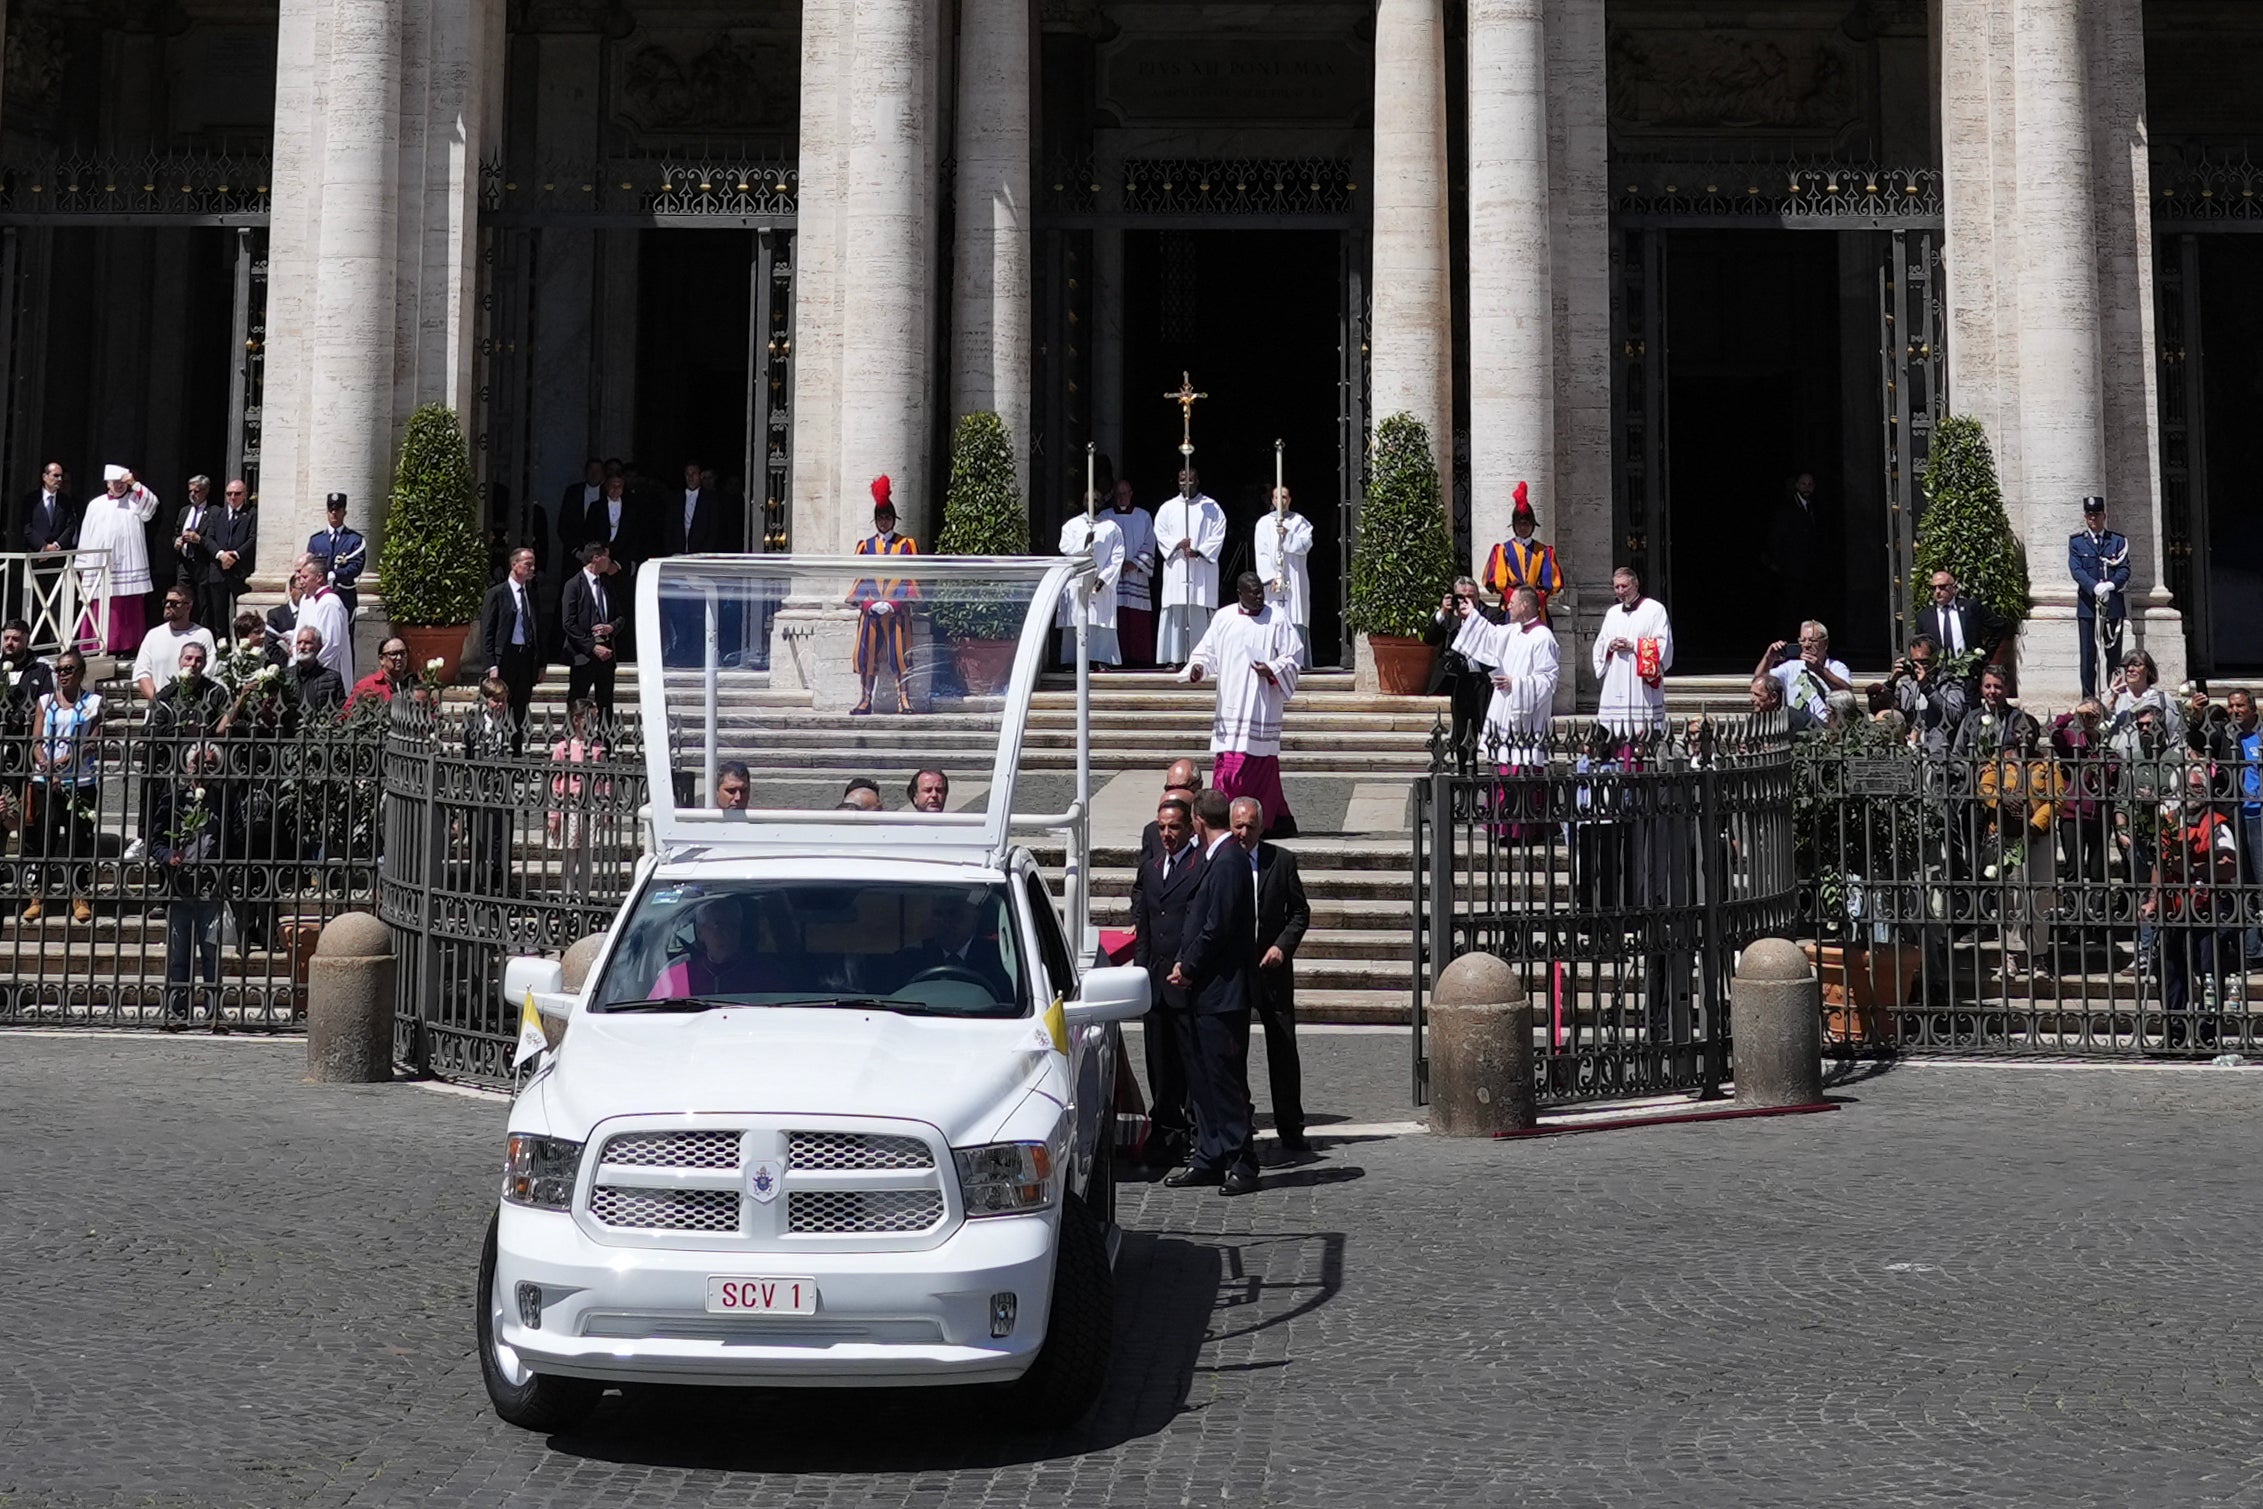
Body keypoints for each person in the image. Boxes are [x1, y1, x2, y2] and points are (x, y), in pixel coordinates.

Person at [1162, 789, 1261, 1196]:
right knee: (1201, 1080)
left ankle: (1242, 1159)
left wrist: (1189, 965)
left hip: (1222, 994)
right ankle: (1209, 1155)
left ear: (1198, 821)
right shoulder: (1214, 858)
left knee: (1224, 1080)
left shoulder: (1227, 862)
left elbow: (1216, 926)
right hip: (1202, 996)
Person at [1180, 572, 1303, 838]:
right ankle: (1226, 821)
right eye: (1253, 592)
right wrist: (1198, 668)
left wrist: (1270, 669)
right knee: (1230, 768)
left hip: (1261, 705)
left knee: (1260, 766)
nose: (1259, 597)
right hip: (1232, 704)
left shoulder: (1277, 619)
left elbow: (1293, 658)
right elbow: (1206, 652)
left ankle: (1265, 822)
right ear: (1240, 594)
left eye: (1261, 591)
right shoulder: (1224, 618)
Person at [1231, 795, 1311, 1157]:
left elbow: (1299, 912)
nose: (1243, 832)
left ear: (1261, 827)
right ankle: (1238, 1121)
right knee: (1232, 1052)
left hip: (1273, 972)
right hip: (1234, 972)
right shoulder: (1220, 862)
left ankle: (1290, 1126)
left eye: (1249, 826)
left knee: (1283, 1050)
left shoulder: (1281, 862)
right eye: (1237, 825)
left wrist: (1282, 946)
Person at [1130, 794, 1204, 1168]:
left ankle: (1194, 1135)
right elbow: (1144, 925)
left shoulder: (1198, 866)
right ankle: (1164, 1131)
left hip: (1184, 981)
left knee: (1190, 1064)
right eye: (1162, 828)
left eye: (1174, 827)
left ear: (1189, 827)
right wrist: (1141, 972)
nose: (1167, 834)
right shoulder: (1152, 867)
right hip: (1156, 982)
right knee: (1158, 1064)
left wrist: (1187, 965)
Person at [149, 740, 242, 1029]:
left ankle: (214, 1013)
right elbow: (156, 841)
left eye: (210, 764)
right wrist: (168, 856)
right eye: (198, 763)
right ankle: (178, 1012)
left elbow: (237, 838)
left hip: (211, 887)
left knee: (212, 954)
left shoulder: (223, 799)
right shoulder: (174, 798)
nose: (203, 769)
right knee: (179, 955)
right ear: (187, 766)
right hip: (180, 887)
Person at [2148, 761, 2240, 1046]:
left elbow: (2227, 866)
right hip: (2174, 907)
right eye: (2189, 788)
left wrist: (2191, 868)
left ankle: (2207, 1032)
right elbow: (2159, 864)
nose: (2193, 792)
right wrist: (2152, 900)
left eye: (2199, 788)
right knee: (2171, 970)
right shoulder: (2169, 821)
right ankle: (2175, 1030)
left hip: (2206, 909)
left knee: (2209, 973)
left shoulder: (2217, 825)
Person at [23, 650, 101, 924]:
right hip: (46, 777)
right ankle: (39, 894)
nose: (63, 674)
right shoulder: (45, 701)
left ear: (80, 672)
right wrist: (44, 760)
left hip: (79, 779)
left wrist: (70, 757)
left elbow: (94, 739)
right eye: (59, 670)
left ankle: (79, 893)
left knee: (79, 838)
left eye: (68, 669)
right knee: (45, 837)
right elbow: (36, 738)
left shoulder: (92, 702)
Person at [1452, 584, 1560, 767]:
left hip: (1526, 718)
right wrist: (1471, 614)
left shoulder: (1543, 637)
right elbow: (1490, 636)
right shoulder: (1513, 631)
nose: (1508, 607)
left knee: (1524, 765)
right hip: (1506, 710)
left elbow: (1548, 680)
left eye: (1512, 603)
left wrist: (1516, 684)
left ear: (1524, 605)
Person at [847, 478, 919, 716]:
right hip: (871, 611)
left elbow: (911, 578)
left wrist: (893, 603)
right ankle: (865, 699)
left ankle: (904, 700)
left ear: (894, 519)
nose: (884, 521)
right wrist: (870, 604)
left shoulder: (906, 545)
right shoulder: (864, 546)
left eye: (888, 517)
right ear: (876, 519)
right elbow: (860, 581)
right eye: (881, 517)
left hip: (896, 611)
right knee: (866, 656)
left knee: (900, 656)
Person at [75, 464, 161, 653]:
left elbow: (152, 505)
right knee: (99, 604)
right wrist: (82, 567)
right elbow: (86, 534)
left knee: (126, 605)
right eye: (115, 483)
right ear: (107, 484)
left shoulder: (134, 501)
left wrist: (135, 484)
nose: (119, 486)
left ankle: (127, 646)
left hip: (129, 564)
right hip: (100, 564)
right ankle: (95, 645)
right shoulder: (95, 504)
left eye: (122, 482)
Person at [1423, 578, 1499, 775]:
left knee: (1488, 728)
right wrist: (1442, 612)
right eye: (1461, 597)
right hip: (1461, 681)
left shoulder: (1492, 614)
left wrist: (1472, 616)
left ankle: (1495, 775)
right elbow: (1429, 638)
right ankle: (1466, 774)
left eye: (1470, 597)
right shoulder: (1451, 617)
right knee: (1462, 732)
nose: (1466, 601)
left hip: (1485, 681)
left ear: (1478, 595)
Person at [1152, 467, 1226, 668]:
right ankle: (1175, 658)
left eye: (1190, 480)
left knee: (1198, 612)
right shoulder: (1168, 508)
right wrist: (1177, 543)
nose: (1186, 484)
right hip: (1177, 567)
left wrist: (1199, 550)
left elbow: (1218, 534)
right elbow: (1160, 532)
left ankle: (1200, 659)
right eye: (1182, 480)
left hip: (1200, 568)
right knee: (1176, 612)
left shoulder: (1211, 507)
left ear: (1198, 481)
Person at [647, 895, 784, 1000]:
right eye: (718, 925)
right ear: (700, 932)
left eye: (733, 926)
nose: (727, 933)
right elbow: (649, 1015)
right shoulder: (676, 975)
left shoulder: (766, 973)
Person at [1592, 566, 1672, 737]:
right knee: (1614, 732)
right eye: (1616, 587)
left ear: (1636, 585)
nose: (1620, 591)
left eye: (1624, 586)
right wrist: (1610, 645)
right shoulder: (1612, 613)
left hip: (1640, 680)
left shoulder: (1654, 610)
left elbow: (1663, 644)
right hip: (1616, 677)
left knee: (1642, 731)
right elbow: (1600, 644)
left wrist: (1633, 645)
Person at [2070, 495, 2131, 700]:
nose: (2093, 518)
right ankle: (2089, 700)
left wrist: (2111, 585)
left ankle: (2113, 697)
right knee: (2088, 657)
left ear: (2104, 515)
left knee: (2113, 656)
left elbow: (2124, 569)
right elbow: (2076, 570)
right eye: (2089, 515)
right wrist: (2094, 587)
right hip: (2088, 606)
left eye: (2096, 514)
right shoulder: (2077, 542)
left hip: (2112, 605)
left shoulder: (2117, 541)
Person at [479, 547, 543, 740]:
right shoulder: (497, 594)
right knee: (499, 704)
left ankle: (515, 750)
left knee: (520, 705)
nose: (532, 568)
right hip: (504, 658)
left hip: (525, 657)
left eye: (533, 564)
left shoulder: (531, 594)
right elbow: (487, 632)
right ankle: (495, 744)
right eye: (527, 564)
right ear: (514, 565)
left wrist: (541, 663)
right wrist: (491, 664)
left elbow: (539, 630)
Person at [1481, 482, 1565, 622]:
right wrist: (1512, 597)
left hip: (1537, 608)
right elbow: (1494, 581)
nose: (1523, 527)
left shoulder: (1544, 551)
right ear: (1514, 526)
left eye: (1526, 523)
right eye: (1519, 523)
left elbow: (1551, 583)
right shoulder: (1502, 550)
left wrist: (1534, 600)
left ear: (1532, 526)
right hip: (1509, 606)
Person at [1253, 486, 1316, 668]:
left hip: (1294, 578)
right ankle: (1274, 659)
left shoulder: (1300, 522)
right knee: (1274, 616)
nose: (1280, 500)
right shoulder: (1263, 523)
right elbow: (1261, 553)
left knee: (1295, 614)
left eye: (1284, 497)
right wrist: (1270, 576)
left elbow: (1305, 545)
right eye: (1276, 497)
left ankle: (1298, 661)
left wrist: (1288, 536)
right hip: (1274, 582)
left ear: (1290, 499)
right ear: (1271, 500)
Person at [561, 541, 626, 720]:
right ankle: (573, 741)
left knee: (605, 702)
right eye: (607, 557)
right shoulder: (574, 585)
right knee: (577, 700)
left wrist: (611, 627)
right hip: (583, 655)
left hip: (606, 655)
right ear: (597, 558)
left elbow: (620, 616)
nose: (610, 561)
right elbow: (568, 623)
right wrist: (592, 646)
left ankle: (604, 742)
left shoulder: (607, 584)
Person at [547, 699, 607, 894]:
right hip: (570, 805)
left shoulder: (598, 748)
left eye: (594, 718)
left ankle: (584, 897)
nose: (592, 723)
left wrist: (606, 810)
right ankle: (568, 897)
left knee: (586, 856)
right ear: (577, 720)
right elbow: (554, 783)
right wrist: (553, 815)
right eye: (588, 718)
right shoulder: (562, 748)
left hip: (591, 805)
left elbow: (605, 780)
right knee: (570, 855)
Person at [1055, 505, 1125, 668]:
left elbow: (1117, 556)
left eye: (1096, 499)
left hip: (1100, 581)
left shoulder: (1111, 527)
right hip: (1078, 580)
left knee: (1099, 621)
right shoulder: (1072, 525)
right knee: (1077, 621)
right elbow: (1064, 548)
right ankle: (1074, 661)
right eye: (1089, 499)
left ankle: (1100, 659)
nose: (1093, 502)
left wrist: (1103, 578)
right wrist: (1085, 541)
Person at [1917, 570, 2007, 692]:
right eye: (1934, 588)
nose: (1938, 591)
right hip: (1938, 680)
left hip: (1969, 676)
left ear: (1953, 588)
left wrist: (1983, 654)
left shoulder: (1970, 608)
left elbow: (1999, 625)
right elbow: (1919, 646)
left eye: (1942, 587)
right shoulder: (1924, 617)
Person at [1756, 621, 1853, 733]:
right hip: (1795, 726)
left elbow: (1847, 693)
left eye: (1812, 640)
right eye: (1802, 640)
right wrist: (1769, 659)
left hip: (1823, 726)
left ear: (1825, 643)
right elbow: (1759, 681)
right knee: (1762, 714)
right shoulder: (1791, 666)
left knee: (1789, 713)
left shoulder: (1837, 667)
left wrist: (1820, 670)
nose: (1806, 645)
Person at [132, 587, 218, 703]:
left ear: (188, 606)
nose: (168, 606)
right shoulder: (153, 635)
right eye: (166, 602)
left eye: (174, 603)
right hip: (160, 712)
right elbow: (142, 674)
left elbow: (207, 673)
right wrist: (160, 703)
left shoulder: (203, 635)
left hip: (191, 708)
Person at [1888, 634, 1967, 756]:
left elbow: (1955, 716)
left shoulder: (1950, 683)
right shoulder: (1906, 684)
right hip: (1909, 751)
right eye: (1915, 663)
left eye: (1924, 662)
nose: (1919, 667)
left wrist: (1927, 688)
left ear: (1935, 659)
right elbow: (1886, 710)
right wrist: (1891, 683)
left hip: (1939, 754)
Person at [1108, 479, 1158, 667]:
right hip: (1114, 576)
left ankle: (1138, 658)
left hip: (1136, 573)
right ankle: (1114, 659)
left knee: (1136, 618)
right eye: (1119, 493)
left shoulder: (1143, 516)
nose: (1122, 497)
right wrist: (1115, 565)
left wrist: (1135, 563)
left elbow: (1149, 542)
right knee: (1116, 615)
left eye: (1125, 493)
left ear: (1131, 493)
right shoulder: (1105, 517)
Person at [1768, 471, 1828, 629]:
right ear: (1796, 486)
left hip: (1812, 569)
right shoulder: (1787, 509)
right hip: (1792, 569)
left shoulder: (1817, 507)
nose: (1806, 488)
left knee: (1811, 607)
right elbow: (1778, 537)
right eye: (1803, 484)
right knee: (1792, 607)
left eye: (1809, 485)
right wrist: (1779, 562)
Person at [200, 479, 256, 634]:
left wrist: (235, 555)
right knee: (219, 615)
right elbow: (208, 538)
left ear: (245, 495)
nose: (232, 497)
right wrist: (221, 555)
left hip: (240, 571)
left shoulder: (251, 514)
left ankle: (242, 648)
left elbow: (252, 538)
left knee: (243, 617)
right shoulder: (217, 514)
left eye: (237, 494)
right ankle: (222, 648)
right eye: (229, 494)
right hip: (218, 570)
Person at [1952, 665, 2040, 758]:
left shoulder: (2019, 720)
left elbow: (2029, 754)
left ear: (2007, 689)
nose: (1992, 691)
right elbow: (1958, 754)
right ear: (1981, 689)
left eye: (1998, 687)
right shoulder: (1971, 719)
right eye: (1987, 686)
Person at [292, 554, 354, 686]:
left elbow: (331, 643)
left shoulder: (330, 603)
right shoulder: (309, 600)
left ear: (319, 577)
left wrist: (312, 668)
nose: (300, 581)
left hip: (326, 673)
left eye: (305, 577)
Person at [308, 493, 368, 620]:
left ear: (344, 512)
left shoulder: (354, 540)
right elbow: (310, 566)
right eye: (331, 510)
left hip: (344, 596)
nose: (334, 513)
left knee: (345, 636)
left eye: (338, 510)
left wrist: (337, 574)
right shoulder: (316, 540)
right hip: (321, 597)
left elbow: (356, 566)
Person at [285, 627, 347, 714]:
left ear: (319, 646)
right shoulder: (284, 676)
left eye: (307, 643)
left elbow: (340, 711)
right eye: (299, 643)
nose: (302, 647)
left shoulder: (332, 678)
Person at [558, 459, 604, 572]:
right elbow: (563, 525)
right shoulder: (573, 492)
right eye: (591, 470)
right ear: (585, 472)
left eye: (597, 470)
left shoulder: (607, 493)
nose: (594, 474)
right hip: (575, 554)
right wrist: (576, 551)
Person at [19, 460, 74, 554]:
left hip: (58, 555)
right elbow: (26, 527)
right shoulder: (31, 500)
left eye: (61, 476)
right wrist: (43, 547)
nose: (60, 479)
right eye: (55, 475)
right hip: (36, 556)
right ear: (45, 477)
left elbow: (70, 526)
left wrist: (56, 546)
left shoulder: (65, 501)